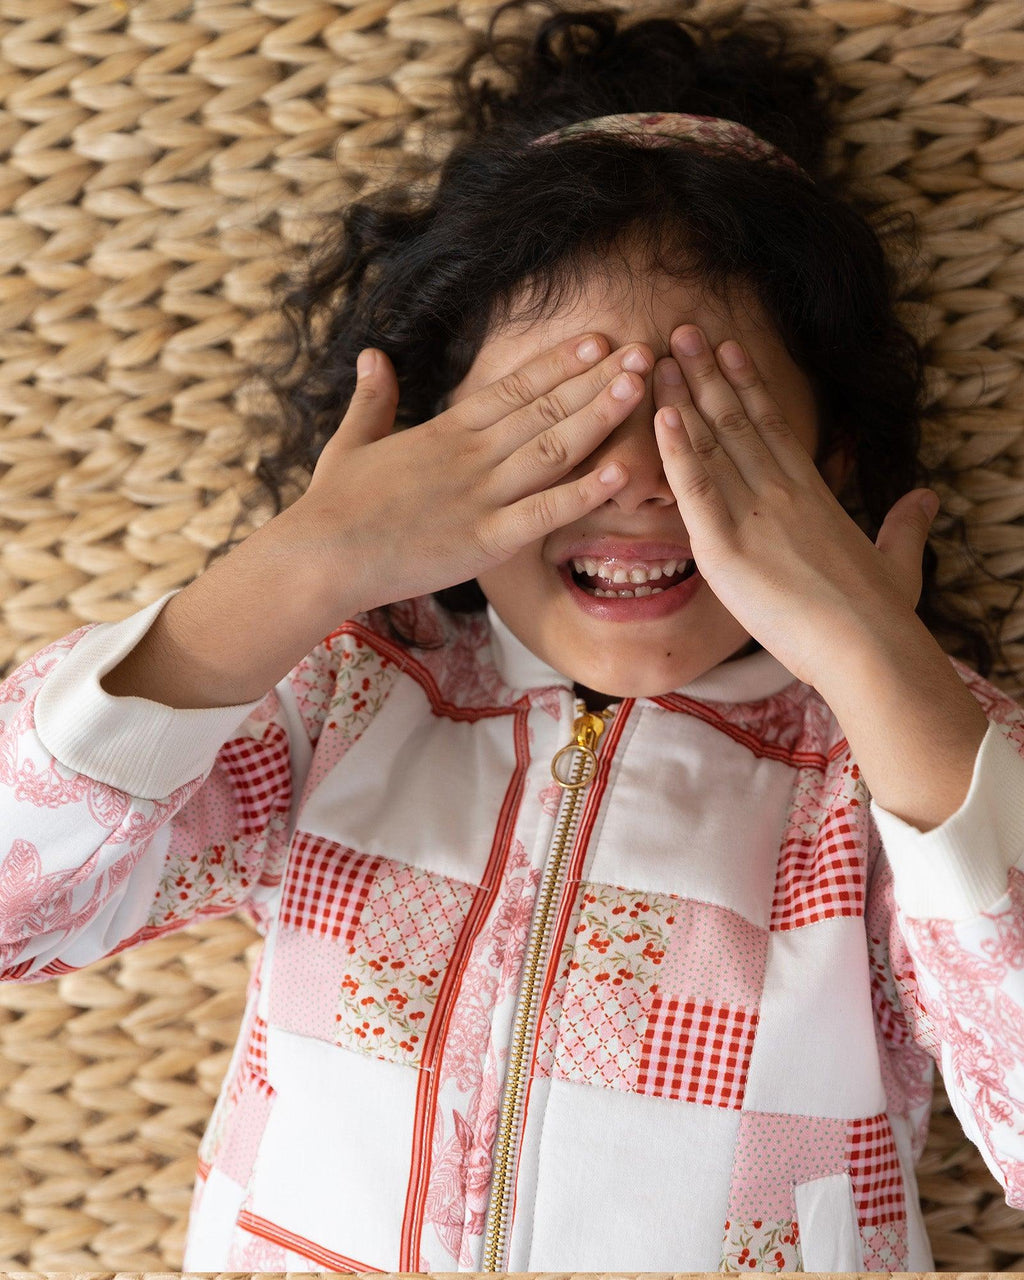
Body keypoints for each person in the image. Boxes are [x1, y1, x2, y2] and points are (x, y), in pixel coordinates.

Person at [2, 0, 1023, 1271]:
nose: (639, 484)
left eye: (708, 421)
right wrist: (304, 563)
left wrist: (881, 662)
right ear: (429, 459)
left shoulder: (895, 773)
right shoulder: (345, 693)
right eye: (555, 423)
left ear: (835, 466)